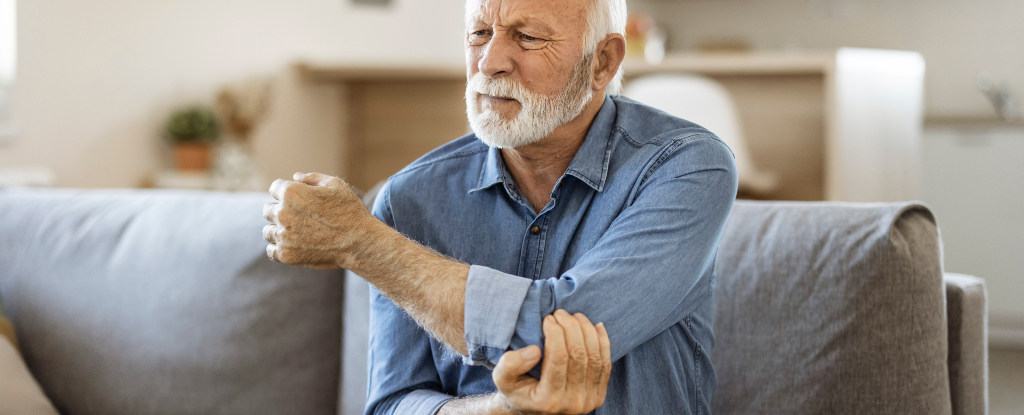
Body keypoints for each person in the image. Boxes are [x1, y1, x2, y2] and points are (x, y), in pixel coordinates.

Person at [261, 0, 738, 412]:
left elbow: (560, 335)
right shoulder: (408, 198)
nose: (489, 63)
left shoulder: (687, 167)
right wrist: (493, 411)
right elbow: (392, 402)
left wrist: (363, 243)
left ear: (603, 61)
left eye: (527, 37)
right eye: (479, 34)